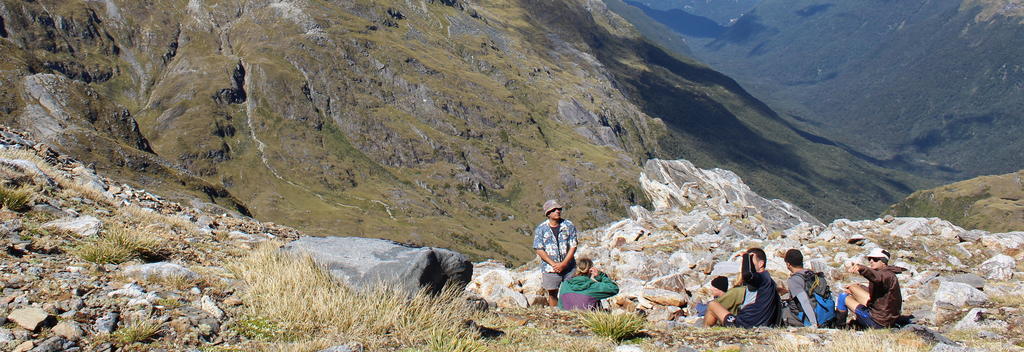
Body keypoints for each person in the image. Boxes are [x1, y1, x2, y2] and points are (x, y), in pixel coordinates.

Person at [704, 248, 781, 328]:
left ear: (761, 264)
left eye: (751, 261)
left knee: (712, 305)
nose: (747, 265)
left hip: (745, 324)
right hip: (757, 323)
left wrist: (745, 256)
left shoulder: (761, 278)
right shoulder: (769, 282)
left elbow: (747, 275)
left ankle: (705, 330)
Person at [842, 248, 906, 329]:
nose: (871, 261)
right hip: (887, 318)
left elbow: (877, 277)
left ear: (883, 262)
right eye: (870, 259)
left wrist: (863, 269)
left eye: (875, 259)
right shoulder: (887, 273)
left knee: (843, 297)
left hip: (878, 322)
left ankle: (839, 326)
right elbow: (878, 290)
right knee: (853, 287)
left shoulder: (886, 275)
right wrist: (860, 287)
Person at [533, 199, 578, 307]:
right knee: (552, 293)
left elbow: (573, 245)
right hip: (550, 268)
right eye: (554, 210)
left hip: (568, 266)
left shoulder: (568, 225)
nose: (557, 211)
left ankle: (569, 312)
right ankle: (555, 313)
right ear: (548, 213)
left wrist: (564, 263)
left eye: (559, 209)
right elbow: (539, 248)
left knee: (570, 291)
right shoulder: (541, 229)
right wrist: (553, 264)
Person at [779, 249, 820, 327]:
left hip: (809, 318)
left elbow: (804, 301)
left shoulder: (794, 280)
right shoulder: (811, 274)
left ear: (788, 264)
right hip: (822, 312)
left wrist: (814, 323)